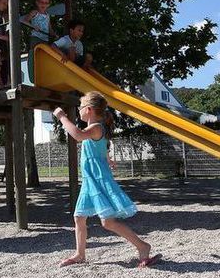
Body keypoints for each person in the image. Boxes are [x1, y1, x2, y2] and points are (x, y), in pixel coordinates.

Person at [53, 91, 160, 268]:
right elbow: (99, 147)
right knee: (79, 217)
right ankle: (80, 254)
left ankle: (143, 246)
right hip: (90, 180)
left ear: (88, 110)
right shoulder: (97, 128)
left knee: (108, 222)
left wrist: (62, 117)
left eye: (80, 108)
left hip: (98, 179)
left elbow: (78, 135)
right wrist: (107, 158)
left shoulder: (95, 127)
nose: (79, 111)